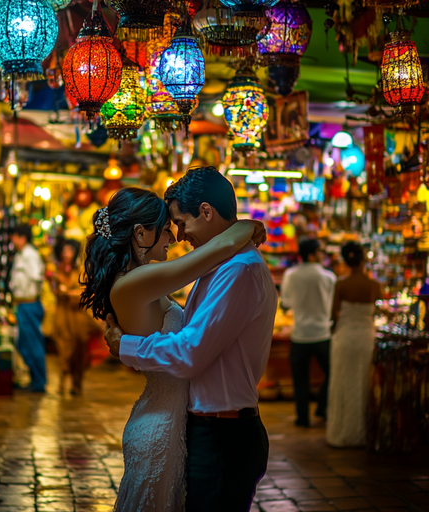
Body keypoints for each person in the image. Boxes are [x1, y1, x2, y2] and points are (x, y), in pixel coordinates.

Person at [99, 168, 277, 512]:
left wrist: (126, 347)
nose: (178, 236)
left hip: (223, 433)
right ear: (139, 234)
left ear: (207, 212)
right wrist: (244, 227)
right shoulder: (213, 266)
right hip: (199, 428)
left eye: (179, 223)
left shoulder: (237, 270)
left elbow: (190, 352)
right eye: (168, 228)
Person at [326, 241, 382, 447]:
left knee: (342, 384)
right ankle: (362, 433)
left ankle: (341, 433)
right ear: (364, 260)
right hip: (366, 338)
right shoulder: (375, 286)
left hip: (344, 337)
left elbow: (334, 315)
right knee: (362, 385)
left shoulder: (341, 284)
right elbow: (379, 311)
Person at [281, 238, 336, 427]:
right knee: (332, 374)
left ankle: (302, 417)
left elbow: (286, 303)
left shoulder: (290, 274)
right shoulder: (328, 276)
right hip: (323, 333)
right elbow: (334, 305)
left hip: (300, 334)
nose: (323, 255)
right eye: (320, 252)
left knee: (300, 380)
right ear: (312, 254)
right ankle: (322, 408)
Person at [49, 239, 102, 395]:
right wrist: (56, 284)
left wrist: (71, 293)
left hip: (78, 316)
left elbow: (85, 292)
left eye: (69, 251)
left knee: (79, 350)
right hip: (62, 315)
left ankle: (77, 383)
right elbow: (54, 290)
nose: (66, 255)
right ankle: (61, 382)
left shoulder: (80, 270)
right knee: (64, 349)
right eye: (64, 251)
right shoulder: (56, 272)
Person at [9, 224, 46, 393]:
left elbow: (37, 277)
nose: (12, 241)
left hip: (29, 304)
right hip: (23, 304)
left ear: (22, 237)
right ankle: (35, 379)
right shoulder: (21, 255)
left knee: (32, 343)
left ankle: (39, 381)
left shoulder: (30, 255)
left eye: (14, 237)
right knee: (26, 343)